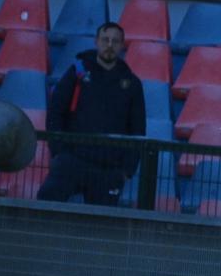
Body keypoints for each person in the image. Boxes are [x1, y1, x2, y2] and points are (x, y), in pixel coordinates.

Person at [38, 22, 146, 206]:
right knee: (45, 204)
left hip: (109, 168)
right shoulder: (77, 73)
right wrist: (59, 152)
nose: (109, 45)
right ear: (96, 42)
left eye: (115, 41)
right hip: (72, 159)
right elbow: (56, 111)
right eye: (105, 40)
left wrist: (126, 169)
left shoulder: (132, 83)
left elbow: (137, 128)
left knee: (99, 226)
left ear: (122, 46)